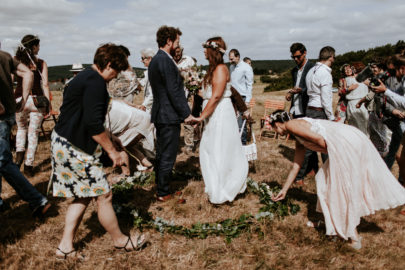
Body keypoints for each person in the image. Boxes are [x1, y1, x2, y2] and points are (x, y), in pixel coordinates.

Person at [51, 44, 148, 259]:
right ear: (109, 64)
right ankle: (120, 241)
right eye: (115, 71)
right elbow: (93, 124)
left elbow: (87, 116)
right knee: (104, 194)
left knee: (83, 195)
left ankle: (65, 247)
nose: (114, 77)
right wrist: (112, 151)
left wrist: (110, 137)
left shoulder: (86, 76)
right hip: (73, 145)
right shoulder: (95, 82)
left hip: (65, 141)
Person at [269, 110, 405, 249]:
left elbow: (319, 140)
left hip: (344, 142)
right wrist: (284, 190)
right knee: (323, 181)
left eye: (273, 128)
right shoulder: (297, 134)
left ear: (278, 124)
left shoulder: (292, 125)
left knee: (340, 189)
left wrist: (338, 157)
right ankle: (331, 223)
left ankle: (354, 238)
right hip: (347, 139)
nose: (275, 131)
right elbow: (296, 166)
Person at [193, 37, 248, 204]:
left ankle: (224, 187)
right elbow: (210, 94)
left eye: (205, 48)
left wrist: (201, 117)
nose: (203, 51)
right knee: (211, 147)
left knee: (219, 148)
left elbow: (217, 96)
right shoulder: (212, 69)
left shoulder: (221, 69)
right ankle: (216, 182)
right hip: (213, 112)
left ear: (214, 50)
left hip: (220, 113)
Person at [0, 47, 50, 216]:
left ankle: (36, 198)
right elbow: (37, 79)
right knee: (32, 133)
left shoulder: (11, 57)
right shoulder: (7, 57)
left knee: (18, 134)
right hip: (28, 103)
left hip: (14, 103)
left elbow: (13, 78)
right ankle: (28, 165)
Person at [148, 25, 194, 202]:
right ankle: (163, 192)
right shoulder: (165, 61)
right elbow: (174, 90)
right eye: (177, 41)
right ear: (169, 41)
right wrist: (187, 114)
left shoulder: (156, 59)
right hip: (168, 115)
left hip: (161, 113)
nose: (178, 44)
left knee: (162, 152)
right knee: (168, 154)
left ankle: (161, 186)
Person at [107, 45, 153, 171]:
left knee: (121, 138)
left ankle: (127, 169)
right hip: (115, 102)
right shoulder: (115, 67)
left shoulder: (124, 68)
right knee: (123, 136)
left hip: (121, 103)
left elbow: (134, 83)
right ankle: (143, 162)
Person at [14, 35, 51, 176]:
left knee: (21, 129)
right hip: (37, 101)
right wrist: (48, 104)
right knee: (33, 132)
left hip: (20, 100)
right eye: (38, 45)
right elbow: (45, 84)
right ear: (34, 46)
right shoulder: (41, 63)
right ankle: (28, 166)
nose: (39, 48)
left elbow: (11, 80)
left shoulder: (16, 61)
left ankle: (18, 160)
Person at [285, 43, 316, 185]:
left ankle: (299, 176)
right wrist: (291, 94)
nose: (296, 59)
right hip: (296, 108)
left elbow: (313, 89)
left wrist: (301, 91)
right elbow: (294, 87)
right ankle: (313, 168)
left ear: (305, 53)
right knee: (305, 142)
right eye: (293, 57)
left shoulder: (312, 68)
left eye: (298, 57)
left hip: (307, 108)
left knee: (305, 143)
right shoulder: (294, 71)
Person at [174, 46, 197, 154]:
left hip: (186, 94)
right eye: (175, 52)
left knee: (188, 120)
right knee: (174, 121)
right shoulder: (169, 59)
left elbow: (195, 76)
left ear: (182, 51)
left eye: (179, 52)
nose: (177, 55)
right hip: (172, 96)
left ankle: (189, 144)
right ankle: (175, 144)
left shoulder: (188, 60)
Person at [229, 48, 253, 145]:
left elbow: (249, 84)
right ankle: (234, 142)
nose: (230, 61)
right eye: (229, 59)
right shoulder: (231, 67)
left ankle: (242, 144)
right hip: (231, 97)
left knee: (241, 123)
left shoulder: (246, 67)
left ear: (238, 57)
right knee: (232, 121)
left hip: (242, 97)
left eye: (232, 59)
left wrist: (247, 100)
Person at [341, 64, 369, 135]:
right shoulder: (346, 79)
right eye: (345, 70)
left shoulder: (363, 78)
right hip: (353, 103)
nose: (347, 70)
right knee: (356, 126)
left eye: (349, 69)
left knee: (363, 125)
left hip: (362, 103)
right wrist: (348, 89)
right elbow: (342, 91)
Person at [139, 48, 155, 113]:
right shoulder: (149, 71)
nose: (141, 61)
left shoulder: (154, 72)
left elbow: (153, 92)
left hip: (152, 107)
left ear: (149, 58)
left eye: (143, 58)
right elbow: (143, 82)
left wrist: (144, 105)